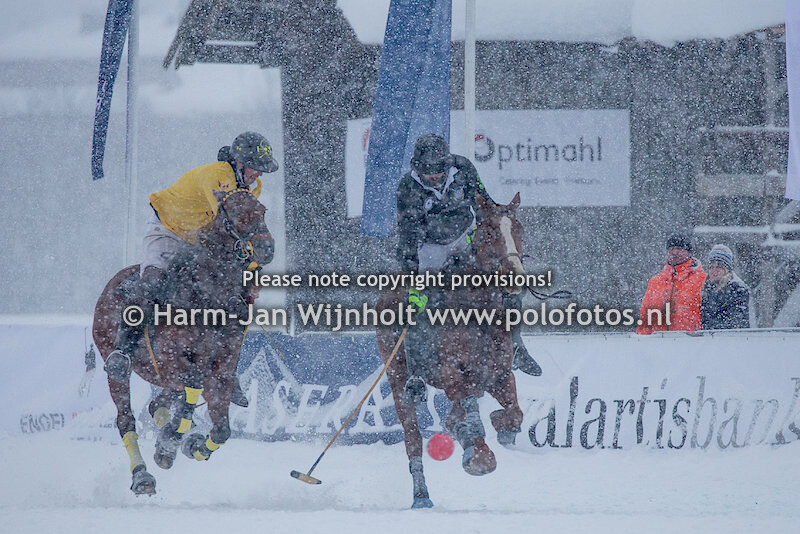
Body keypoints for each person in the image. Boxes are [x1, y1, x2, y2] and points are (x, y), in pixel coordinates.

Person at [105, 132, 279, 408]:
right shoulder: (218, 177)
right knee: (152, 282)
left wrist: (251, 272)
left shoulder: (251, 189)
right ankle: (122, 350)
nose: (259, 173)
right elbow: (227, 224)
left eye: (262, 167)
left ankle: (226, 371)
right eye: (255, 165)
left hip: (199, 240)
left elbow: (235, 235)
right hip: (168, 231)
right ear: (239, 162)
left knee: (235, 300)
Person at [395, 133, 540, 405]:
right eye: (428, 174)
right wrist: (414, 282)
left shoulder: (463, 169)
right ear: (417, 168)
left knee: (507, 284)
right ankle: (415, 375)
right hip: (430, 247)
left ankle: (517, 346)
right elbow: (407, 237)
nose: (435, 178)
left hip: (464, 236)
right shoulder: (407, 188)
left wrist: (500, 228)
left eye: (439, 172)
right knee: (417, 306)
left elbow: (483, 202)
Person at [636, 234, 707, 335]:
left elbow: (709, 317)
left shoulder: (703, 279)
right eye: (671, 249)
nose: (675, 252)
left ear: (689, 252)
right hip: (658, 344)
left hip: (691, 344)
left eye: (679, 249)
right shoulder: (655, 282)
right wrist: (642, 342)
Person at [701, 244, 750, 329]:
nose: (714, 271)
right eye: (711, 267)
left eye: (719, 267)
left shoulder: (737, 289)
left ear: (727, 269)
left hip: (728, 339)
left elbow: (737, 322)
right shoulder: (707, 288)